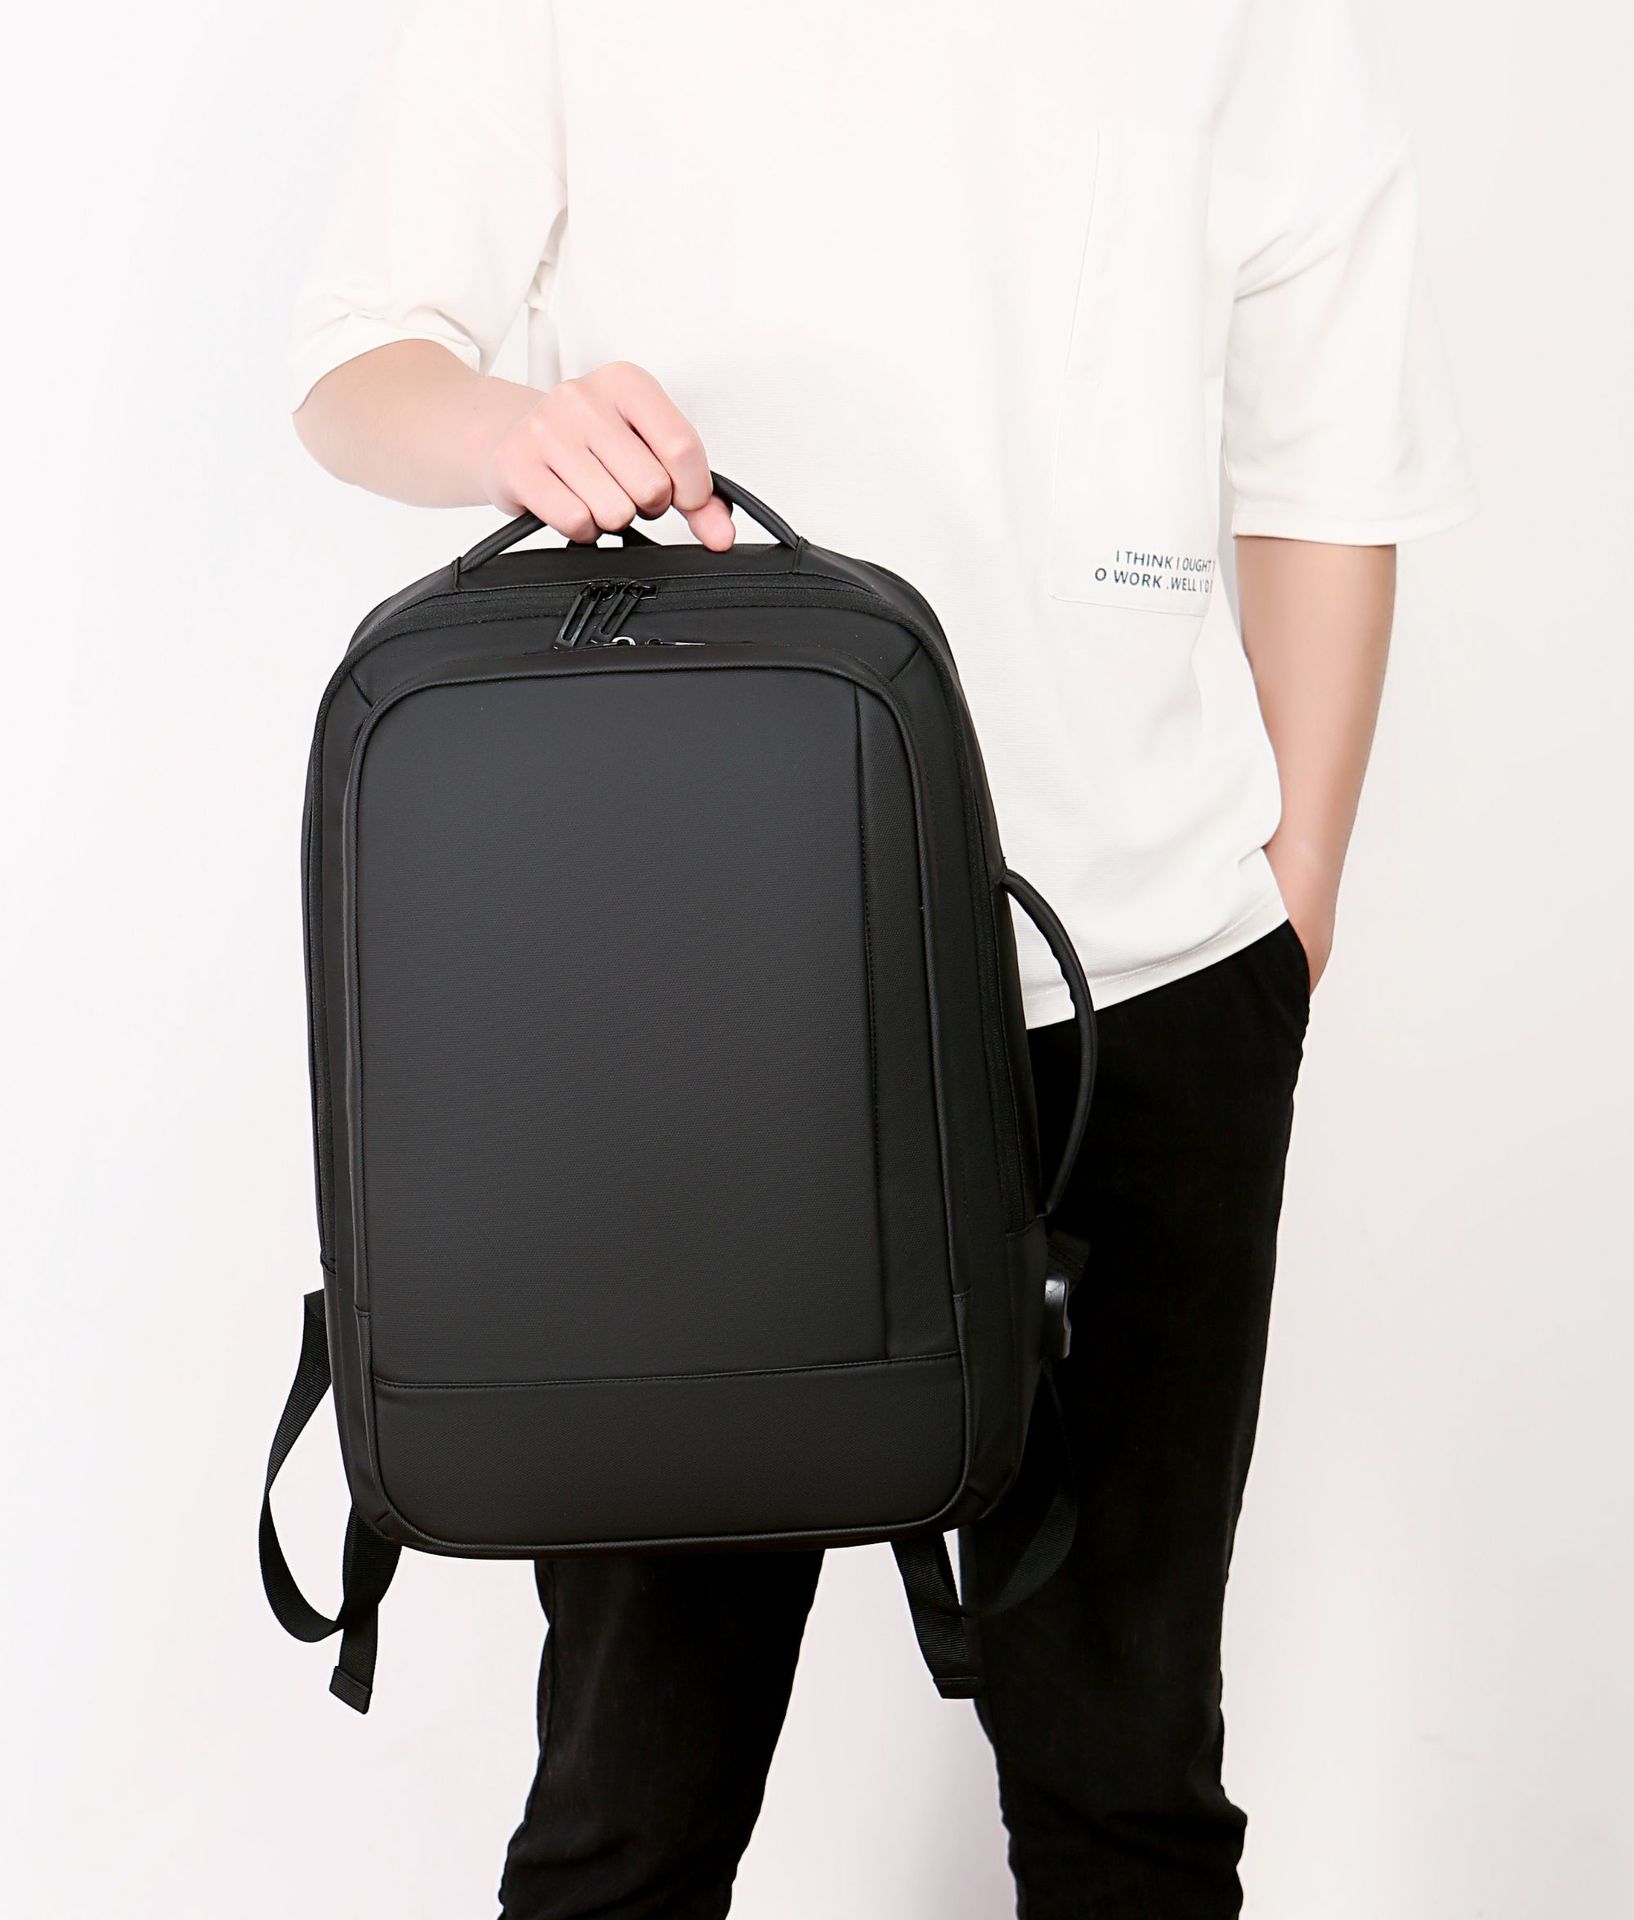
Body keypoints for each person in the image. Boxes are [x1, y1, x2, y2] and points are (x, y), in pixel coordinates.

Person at [288, 4, 1475, 1914]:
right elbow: (355, 358)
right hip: (700, 993)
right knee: (631, 1804)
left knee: (1126, 1788)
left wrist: (1296, 894)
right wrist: (509, 426)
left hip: (1142, 983)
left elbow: (1326, 460)